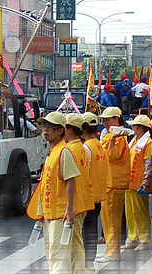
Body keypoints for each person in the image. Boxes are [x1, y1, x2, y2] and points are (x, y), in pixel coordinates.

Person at [26, 112, 81, 274]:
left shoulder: (64, 152)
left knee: (59, 257)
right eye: (44, 127)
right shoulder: (52, 152)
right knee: (53, 254)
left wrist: (69, 209)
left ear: (60, 131)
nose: (45, 130)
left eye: (50, 128)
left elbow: (70, 180)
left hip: (60, 214)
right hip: (50, 213)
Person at [96, 107, 130, 263]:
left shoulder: (119, 137)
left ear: (116, 119)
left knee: (112, 219)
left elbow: (111, 156)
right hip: (109, 182)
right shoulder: (113, 135)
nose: (105, 123)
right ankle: (110, 249)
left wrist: (111, 141)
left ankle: (113, 252)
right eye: (103, 120)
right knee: (107, 219)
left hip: (114, 182)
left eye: (107, 120)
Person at [64, 113, 94, 273]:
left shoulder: (70, 150)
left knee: (74, 242)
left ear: (69, 130)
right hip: (82, 199)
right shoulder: (82, 148)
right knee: (76, 241)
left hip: (74, 202)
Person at [122, 115, 152, 251]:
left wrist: (145, 182)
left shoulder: (148, 144)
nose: (132, 127)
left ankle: (144, 239)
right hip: (129, 183)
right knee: (130, 211)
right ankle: (133, 237)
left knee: (140, 212)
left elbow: (149, 165)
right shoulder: (135, 141)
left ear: (141, 128)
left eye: (134, 126)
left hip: (139, 184)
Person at [81, 112, 108, 269]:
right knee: (92, 228)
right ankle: (89, 261)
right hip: (98, 194)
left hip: (88, 196)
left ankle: (86, 261)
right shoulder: (99, 146)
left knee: (85, 230)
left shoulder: (86, 148)